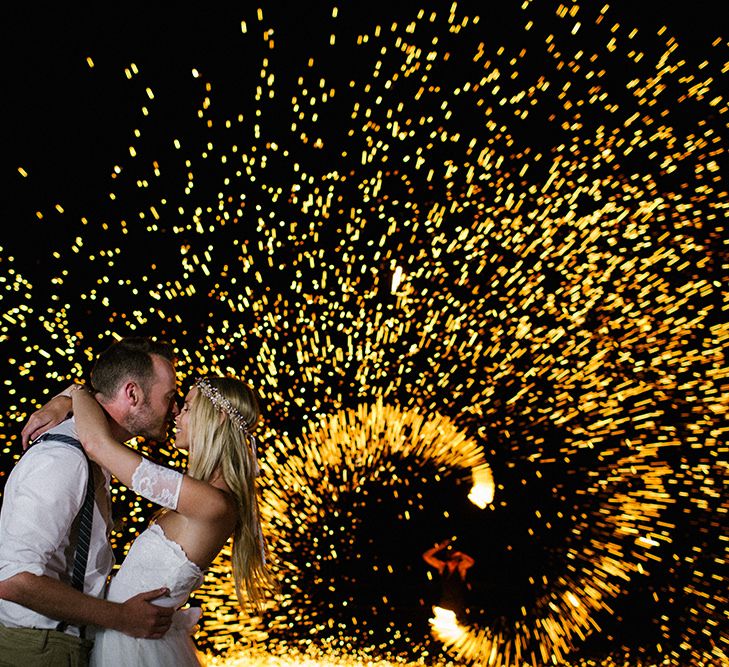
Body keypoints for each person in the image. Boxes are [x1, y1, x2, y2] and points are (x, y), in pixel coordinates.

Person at [56, 373, 273, 666]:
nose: (176, 416)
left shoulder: (212, 502)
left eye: (186, 407)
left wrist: (76, 392)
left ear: (218, 417)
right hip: (127, 640)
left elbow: (98, 445)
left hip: (134, 651)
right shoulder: (207, 497)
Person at [0, 336, 180, 666]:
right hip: (39, 649)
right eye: (169, 396)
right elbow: (11, 579)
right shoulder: (62, 458)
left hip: (57, 645)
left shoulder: (92, 450)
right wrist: (121, 617)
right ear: (132, 394)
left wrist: (69, 394)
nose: (175, 408)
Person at [422, 538, 475, 623]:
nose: (453, 562)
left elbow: (471, 562)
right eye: (451, 559)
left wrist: (461, 554)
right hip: (444, 603)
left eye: (456, 559)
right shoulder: (442, 567)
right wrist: (440, 547)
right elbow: (426, 556)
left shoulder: (461, 567)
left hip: (458, 604)